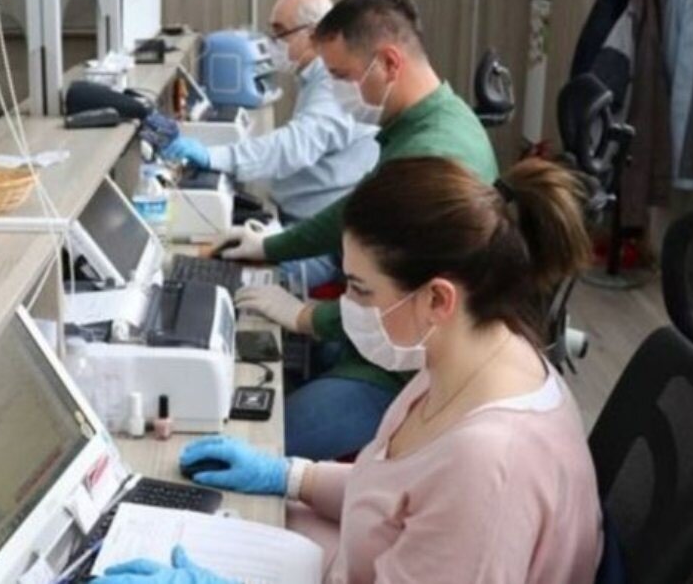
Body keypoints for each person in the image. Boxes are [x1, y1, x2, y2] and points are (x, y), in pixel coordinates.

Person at [95, 156, 603, 583]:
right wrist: (291, 476)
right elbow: (391, 494)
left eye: (360, 290)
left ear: (437, 300)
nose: (347, 304)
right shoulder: (467, 356)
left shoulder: (488, 465)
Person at [219, 0, 500, 460]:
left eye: (341, 77)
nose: (336, 92)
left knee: (261, 440)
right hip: (383, 344)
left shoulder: (432, 153)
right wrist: (269, 248)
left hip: (404, 372)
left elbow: (407, 307)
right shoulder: (422, 124)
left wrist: (305, 317)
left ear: (388, 63)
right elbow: (355, 211)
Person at [162, 0, 378, 241]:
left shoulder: (334, 83)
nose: (271, 42)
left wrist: (214, 157)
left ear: (312, 34)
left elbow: (295, 144)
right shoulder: (315, 78)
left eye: (279, 32)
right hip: (299, 218)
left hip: (318, 233)